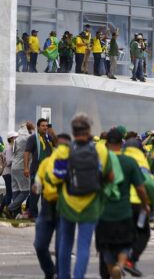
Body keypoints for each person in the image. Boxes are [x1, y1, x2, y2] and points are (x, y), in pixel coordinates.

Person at [47, 113, 114, 279]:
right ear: (89, 130)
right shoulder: (100, 150)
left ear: (73, 131)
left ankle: (63, 276)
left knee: (65, 243)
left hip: (67, 203)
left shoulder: (64, 151)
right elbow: (110, 176)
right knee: (84, 245)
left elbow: (54, 177)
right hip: (91, 204)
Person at [97, 129, 150, 279]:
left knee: (105, 247)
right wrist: (145, 204)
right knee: (125, 244)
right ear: (122, 143)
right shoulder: (129, 162)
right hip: (124, 212)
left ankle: (109, 269)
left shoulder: (102, 162)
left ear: (106, 144)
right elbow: (140, 188)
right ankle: (119, 266)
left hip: (104, 213)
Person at [34, 132, 70, 279]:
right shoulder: (47, 163)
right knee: (40, 245)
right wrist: (37, 186)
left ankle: (62, 275)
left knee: (61, 248)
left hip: (66, 208)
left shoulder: (74, 163)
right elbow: (38, 181)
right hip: (48, 207)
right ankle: (50, 272)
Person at [25, 118, 56, 220]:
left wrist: (52, 133)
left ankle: (44, 215)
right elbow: (26, 153)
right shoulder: (33, 138)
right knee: (35, 194)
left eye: (46, 126)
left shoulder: (49, 139)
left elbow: (58, 144)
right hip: (36, 171)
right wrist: (25, 167)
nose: (45, 128)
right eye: (43, 126)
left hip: (48, 172)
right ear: (38, 127)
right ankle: (33, 215)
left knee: (46, 195)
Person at [6, 124, 31, 218]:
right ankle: (10, 208)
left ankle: (15, 214)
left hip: (14, 167)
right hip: (21, 167)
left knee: (16, 190)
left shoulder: (15, 141)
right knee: (26, 190)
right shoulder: (26, 139)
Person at [0, 128, 18, 218]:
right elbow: (8, 162)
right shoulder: (9, 148)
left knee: (9, 193)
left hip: (8, 173)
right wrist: (17, 159)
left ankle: (0, 212)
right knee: (10, 193)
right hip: (8, 173)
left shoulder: (9, 147)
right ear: (11, 138)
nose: (17, 139)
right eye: (15, 137)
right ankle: (7, 212)